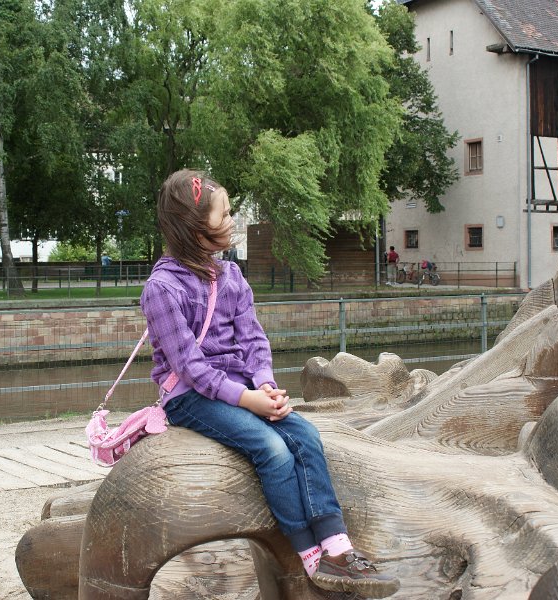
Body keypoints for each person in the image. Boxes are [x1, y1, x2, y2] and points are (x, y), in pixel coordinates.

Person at [140, 169, 400, 597]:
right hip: (190, 396)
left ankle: (337, 546)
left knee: (306, 436)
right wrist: (246, 400)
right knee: (272, 449)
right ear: (195, 226)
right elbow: (190, 368)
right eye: (225, 214)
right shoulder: (162, 288)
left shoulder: (232, 276)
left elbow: (253, 339)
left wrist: (264, 384)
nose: (232, 220)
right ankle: (309, 553)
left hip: (244, 387)